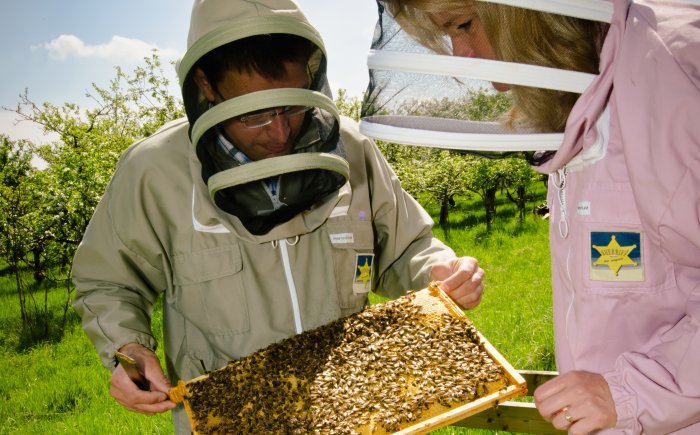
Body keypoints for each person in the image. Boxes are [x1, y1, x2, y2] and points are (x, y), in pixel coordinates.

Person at [71, 0, 485, 432]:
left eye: (290, 106)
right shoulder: (154, 170)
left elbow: (406, 248)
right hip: (230, 419)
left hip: (352, 408)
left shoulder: (352, 148)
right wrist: (127, 348)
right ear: (206, 85)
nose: (280, 132)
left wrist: (437, 271)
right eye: (254, 114)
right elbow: (108, 281)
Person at [371, 0, 700, 433]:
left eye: (465, 24)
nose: (462, 55)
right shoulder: (580, 89)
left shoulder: (672, 71)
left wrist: (631, 391)